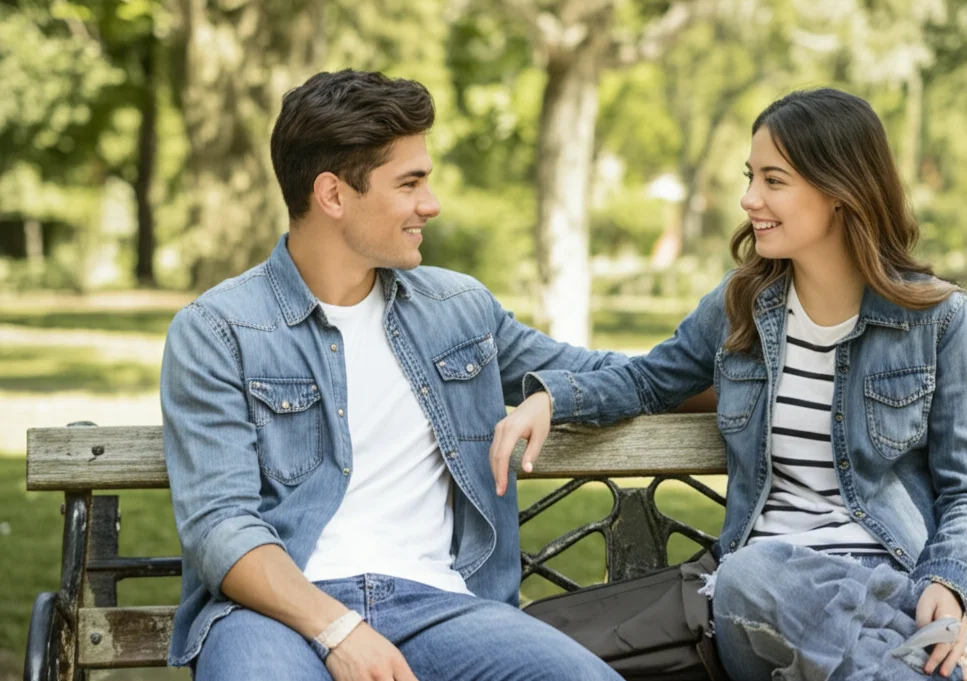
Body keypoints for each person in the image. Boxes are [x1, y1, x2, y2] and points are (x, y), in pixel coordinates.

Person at [489, 88, 967, 681]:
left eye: (773, 180)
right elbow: (648, 380)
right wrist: (553, 398)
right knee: (747, 576)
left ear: (840, 191)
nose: (749, 198)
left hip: (900, 580)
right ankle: (913, 662)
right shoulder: (742, 306)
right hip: (763, 602)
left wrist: (948, 579)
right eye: (750, 176)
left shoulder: (938, 320)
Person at [160, 68, 627, 681]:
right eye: (410, 183)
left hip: (443, 607)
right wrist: (338, 629)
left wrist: (553, 395)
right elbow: (221, 529)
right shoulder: (218, 330)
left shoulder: (457, 310)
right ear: (332, 195)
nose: (429, 205)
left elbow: (624, 377)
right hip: (274, 614)